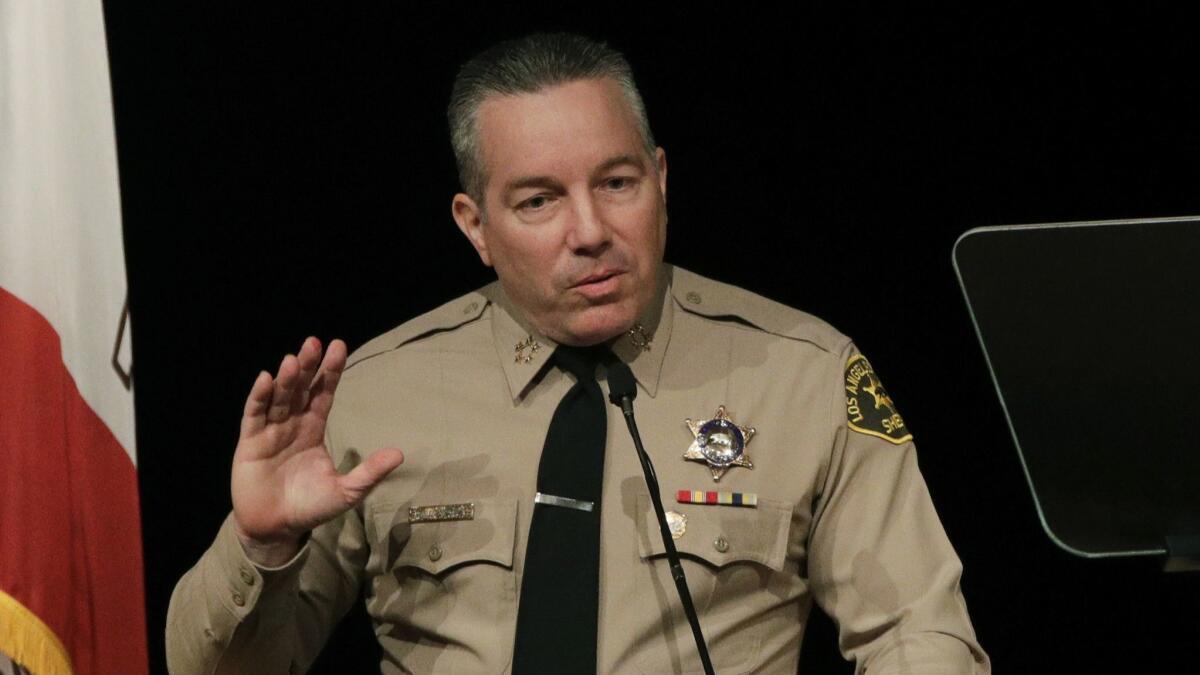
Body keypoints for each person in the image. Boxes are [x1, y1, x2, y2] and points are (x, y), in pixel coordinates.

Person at [166, 33, 990, 674]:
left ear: (661, 179)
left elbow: (920, 634)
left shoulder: (802, 374)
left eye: (618, 183)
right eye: (539, 200)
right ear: (473, 225)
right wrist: (261, 544)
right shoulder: (374, 395)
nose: (590, 231)